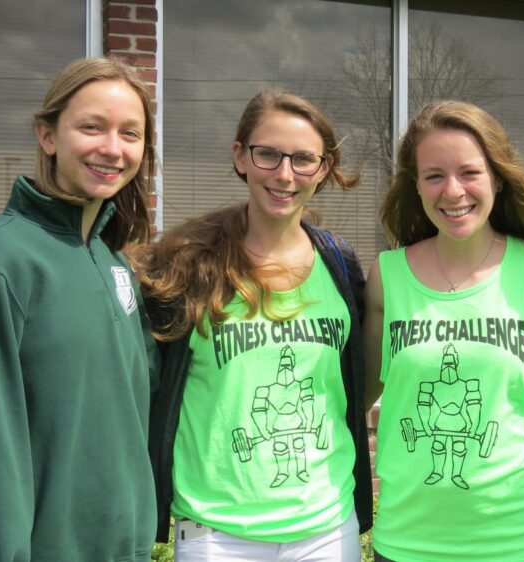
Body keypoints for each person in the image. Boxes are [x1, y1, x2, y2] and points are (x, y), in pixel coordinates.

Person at [138, 91, 371, 560]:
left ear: (323, 169)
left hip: (326, 527)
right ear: (240, 156)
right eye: (268, 154)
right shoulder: (188, 264)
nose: (285, 174)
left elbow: (350, 386)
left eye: (304, 159)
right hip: (217, 533)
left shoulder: (341, 265)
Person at [0, 57, 158, 561]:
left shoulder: (115, 262)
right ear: (48, 136)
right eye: (92, 127)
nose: (112, 149)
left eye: (130, 133)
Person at [364, 100, 524, 562]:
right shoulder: (386, 277)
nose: (453, 191)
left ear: (498, 175)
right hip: (408, 542)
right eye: (434, 175)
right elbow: (346, 397)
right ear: (416, 186)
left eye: (470, 172)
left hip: (519, 541)